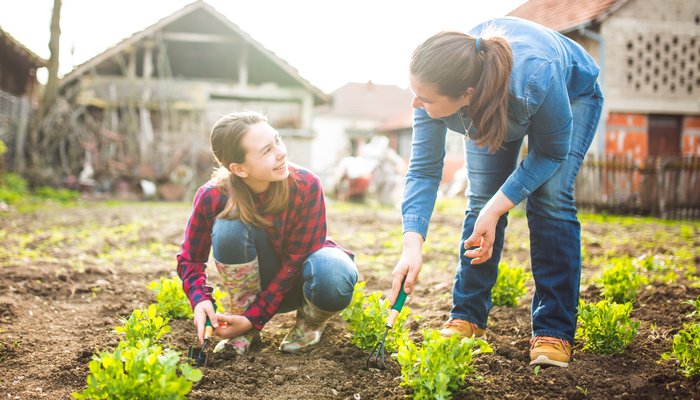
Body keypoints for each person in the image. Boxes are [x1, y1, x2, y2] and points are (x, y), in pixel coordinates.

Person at [390, 17, 604, 367]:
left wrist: (497, 209)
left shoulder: (536, 77)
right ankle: (468, 317)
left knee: (550, 199)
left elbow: (550, 154)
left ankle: (554, 330)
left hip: (571, 93)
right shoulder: (434, 90)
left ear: (466, 96)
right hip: (491, 98)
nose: (415, 103)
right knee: (481, 198)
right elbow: (424, 170)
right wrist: (411, 248)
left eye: (424, 98)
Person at [177, 111, 358, 355]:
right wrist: (200, 300)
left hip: (301, 283)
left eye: (277, 140)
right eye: (266, 151)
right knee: (229, 226)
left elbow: (296, 262)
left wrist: (255, 317)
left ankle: (308, 325)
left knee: (334, 272)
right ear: (239, 169)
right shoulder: (213, 196)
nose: (281, 152)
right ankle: (243, 327)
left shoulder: (305, 185)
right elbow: (191, 259)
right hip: (255, 287)